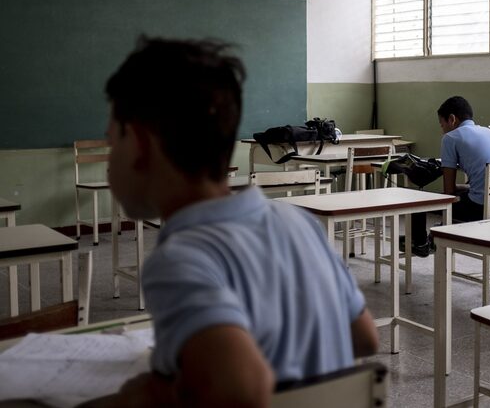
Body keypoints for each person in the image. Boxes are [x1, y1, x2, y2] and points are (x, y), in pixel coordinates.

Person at [92, 37, 378, 407]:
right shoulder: (298, 222)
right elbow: (364, 337)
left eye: (113, 143)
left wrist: (146, 394)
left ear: (141, 144)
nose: (111, 159)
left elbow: (240, 388)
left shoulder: (179, 259)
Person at [409, 96, 490, 255]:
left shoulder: (450, 138)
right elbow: (485, 183)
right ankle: (435, 234)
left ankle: (420, 244)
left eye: (442, 124)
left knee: (420, 201)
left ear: (452, 119)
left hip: (482, 209)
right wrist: (464, 188)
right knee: (462, 196)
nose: (442, 130)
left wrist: (456, 188)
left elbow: (448, 191)